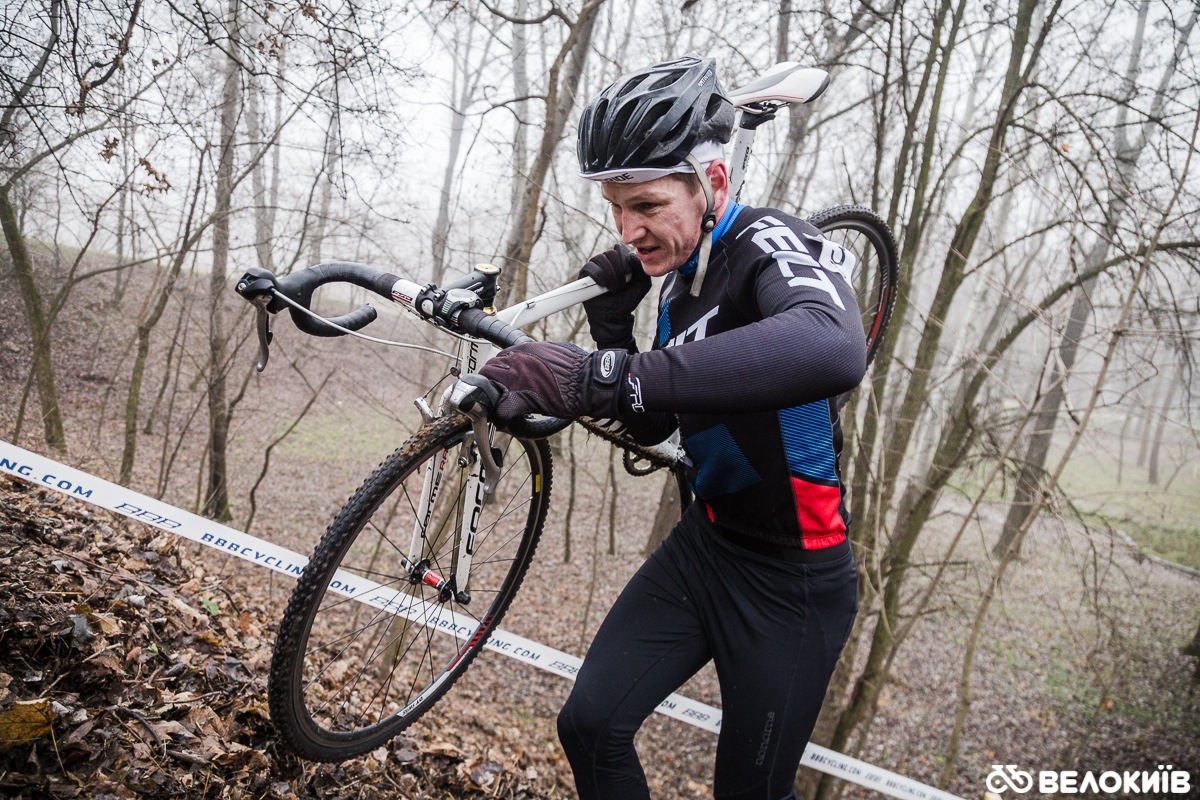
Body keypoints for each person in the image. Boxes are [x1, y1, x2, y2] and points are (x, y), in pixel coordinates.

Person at [476, 56, 864, 800]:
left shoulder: (768, 242)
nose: (630, 230)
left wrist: (601, 375)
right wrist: (611, 327)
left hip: (795, 582)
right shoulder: (683, 279)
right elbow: (658, 417)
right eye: (616, 208)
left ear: (712, 182)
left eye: (648, 205)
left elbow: (832, 345)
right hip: (707, 546)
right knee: (590, 726)